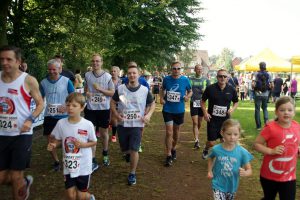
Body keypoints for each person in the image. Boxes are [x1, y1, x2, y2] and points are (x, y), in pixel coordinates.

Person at [0, 45, 44, 200]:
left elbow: (40, 104)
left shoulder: (28, 80)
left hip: (21, 134)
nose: (4, 62)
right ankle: (24, 183)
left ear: (18, 61)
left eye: (9, 59)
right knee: (4, 177)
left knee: (16, 174)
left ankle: (21, 182)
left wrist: (30, 120)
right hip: (1, 135)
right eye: (2, 59)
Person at [110, 63, 155, 185]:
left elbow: (152, 104)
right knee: (125, 149)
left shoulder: (145, 90)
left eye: (134, 73)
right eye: (129, 73)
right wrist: (116, 114)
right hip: (122, 124)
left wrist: (148, 115)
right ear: (127, 75)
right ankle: (127, 154)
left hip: (137, 124)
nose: (132, 75)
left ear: (139, 75)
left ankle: (132, 173)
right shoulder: (120, 89)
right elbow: (113, 102)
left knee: (134, 149)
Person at [47, 93, 97, 200]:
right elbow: (59, 140)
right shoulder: (61, 123)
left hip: (83, 165)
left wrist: (83, 145)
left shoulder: (88, 124)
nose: (70, 108)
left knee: (80, 195)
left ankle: (90, 197)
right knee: (70, 195)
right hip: (69, 165)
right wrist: (54, 144)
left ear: (82, 107)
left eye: (74, 106)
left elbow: (94, 142)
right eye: (68, 105)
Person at [254, 96, 300, 200]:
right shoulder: (270, 128)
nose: (286, 113)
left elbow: (297, 144)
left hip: (289, 176)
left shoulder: (297, 127)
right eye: (282, 110)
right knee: (269, 198)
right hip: (269, 176)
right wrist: (271, 151)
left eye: (289, 110)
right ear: (276, 112)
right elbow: (257, 144)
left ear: (294, 112)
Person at [40, 59, 75, 171]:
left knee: (66, 139)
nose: (51, 72)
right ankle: (56, 162)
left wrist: (66, 105)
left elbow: (74, 96)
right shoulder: (43, 82)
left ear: (59, 69)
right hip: (49, 115)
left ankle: (69, 159)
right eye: (49, 69)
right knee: (50, 140)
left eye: (54, 69)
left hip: (64, 116)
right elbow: (39, 98)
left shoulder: (66, 81)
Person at [207, 119, 253, 200]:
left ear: (239, 135)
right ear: (222, 133)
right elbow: (210, 157)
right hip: (218, 185)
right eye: (229, 134)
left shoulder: (242, 152)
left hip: (232, 187)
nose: (232, 137)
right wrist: (210, 170)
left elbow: (249, 170)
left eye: (235, 134)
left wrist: (245, 173)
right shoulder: (216, 149)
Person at [84, 54, 115, 171]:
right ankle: (92, 159)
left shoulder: (107, 76)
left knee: (104, 132)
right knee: (90, 133)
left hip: (104, 109)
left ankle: (105, 153)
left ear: (102, 62)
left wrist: (100, 90)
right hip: (91, 109)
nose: (95, 63)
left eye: (97, 61)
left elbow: (112, 93)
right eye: (93, 61)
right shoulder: (87, 75)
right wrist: (87, 93)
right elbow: (86, 88)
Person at [200, 69, 239, 159]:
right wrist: (205, 113)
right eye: (220, 76)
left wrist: (232, 109)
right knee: (211, 142)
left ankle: (221, 159)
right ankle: (206, 149)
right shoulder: (210, 88)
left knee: (224, 140)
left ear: (227, 78)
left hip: (225, 120)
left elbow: (236, 102)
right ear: (217, 77)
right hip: (212, 119)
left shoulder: (231, 89)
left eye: (224, 76)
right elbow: (202, 101)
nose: (222, 78)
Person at [160, 61, 192, 166]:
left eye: (178, 68)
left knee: (176, 132)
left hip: (179, 110)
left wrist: (187, 97)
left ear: (181, 69)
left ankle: (173, 148)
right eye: (174, 68)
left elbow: (190, 91)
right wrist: (161, 98)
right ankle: (168, 155)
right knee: (169, 132)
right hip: (168, 109)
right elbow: (162, 89)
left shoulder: (185, 80)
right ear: (171, 69)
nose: (176, 70)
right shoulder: (166, 79)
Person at [189, 64, 210, 149]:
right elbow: (188, 89)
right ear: (195, 70)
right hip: (193, 102)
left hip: (202, 103)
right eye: (198, 69)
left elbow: (210, 92)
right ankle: (196, 140)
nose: (200, 70)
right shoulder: (190, 79)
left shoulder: (206, 80)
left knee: (200, 123)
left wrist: (205, 92)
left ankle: (196, 133)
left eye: (201, 69)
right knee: (195, 122)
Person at [252, 62, 273, 130]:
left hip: (257, 93)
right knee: (265, 109)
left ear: (259, 67)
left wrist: (254, 89)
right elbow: (272, 85)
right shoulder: (269, 74)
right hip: (265, 94)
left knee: (257, 110)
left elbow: (253, 84)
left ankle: (258, 126)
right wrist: (269, 90)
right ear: (265, 66)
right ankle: (266, 124)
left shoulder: (256, 73)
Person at [110, 66, 122, 143]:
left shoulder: (121, 82)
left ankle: (114, 135)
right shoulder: (108, 81)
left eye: (115, 71)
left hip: (118, 102)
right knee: (110, 120)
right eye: (112, 71)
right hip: (108, 102)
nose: (113, 73)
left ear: (118, 72)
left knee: (114, 119)